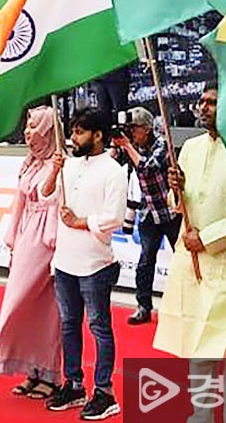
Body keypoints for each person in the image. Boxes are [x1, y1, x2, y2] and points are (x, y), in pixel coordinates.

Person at [153, 82, 226, 423]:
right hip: (192, 262)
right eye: (202, 102)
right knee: (197, 346)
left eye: (213, 102)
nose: (204, 107)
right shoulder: (189, 148)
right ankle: (201, 414)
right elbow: (182, 205)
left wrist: (206, 238)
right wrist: (177, 189)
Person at [39, 109, 127, 421]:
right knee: (68, 325)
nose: (73, 137)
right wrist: (54, 170)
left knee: (99, 327)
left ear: (98, 135)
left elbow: (114, 218)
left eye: (79, 132)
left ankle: (104, 391)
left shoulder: (115, 171)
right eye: (73, 131)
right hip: (64, 261)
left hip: (96, 263)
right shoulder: (69, 165)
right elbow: (44, 195)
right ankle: (74, 384)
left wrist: (79, 222)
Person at [0, 106, 63, 400]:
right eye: (28, 126)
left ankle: (50, 373)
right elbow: (19, 203)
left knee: (49, 310)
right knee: (23, 306)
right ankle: (31, 369)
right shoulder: (29, 163)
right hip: (26, 236)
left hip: (48, 240)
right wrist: (13, 239)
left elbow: (53, 200)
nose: (29, 132)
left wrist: (56, 170)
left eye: (35, 126)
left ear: (48, 131)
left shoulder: (59, 163)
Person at [111, 107, 179, 325]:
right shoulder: (132, 146)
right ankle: (143, 306)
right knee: (145, 262)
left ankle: (186, 307)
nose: (131, 133)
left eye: (134, 129)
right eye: (128, 129)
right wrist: (115, 146)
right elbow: (111, 165)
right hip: (148, 212)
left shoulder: (162, 144)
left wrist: (127, 146)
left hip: (170, 211)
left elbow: (148, 168)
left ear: (147, 129)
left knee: (182, 261)